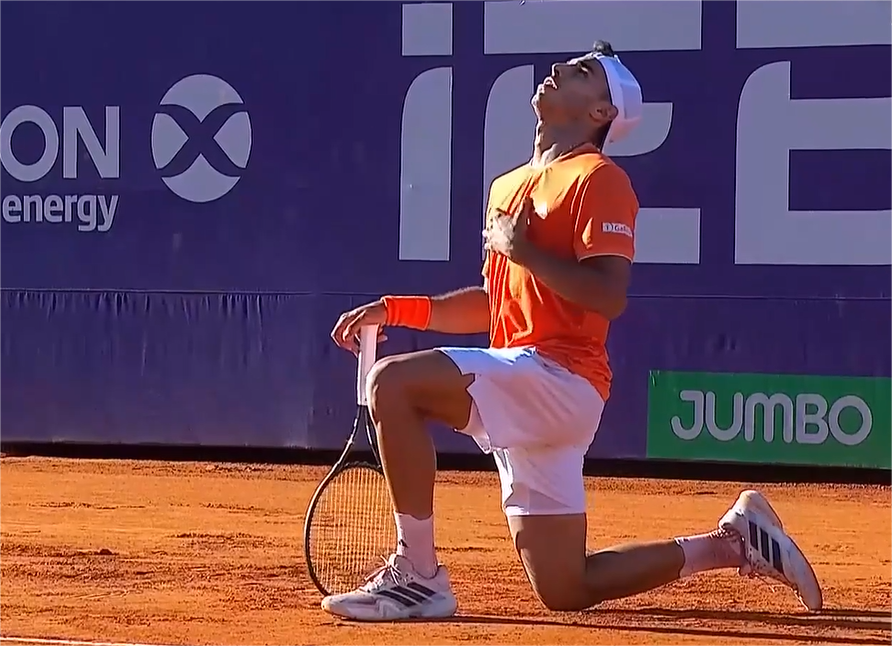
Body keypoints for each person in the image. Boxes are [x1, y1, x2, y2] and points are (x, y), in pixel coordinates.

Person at [322, 41, 823, 621]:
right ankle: (733, 542)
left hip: (559, 380)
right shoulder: (507, 187)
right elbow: (498, 304)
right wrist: (396, 309)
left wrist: (525, 250)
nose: (557, 69)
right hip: (523, 378)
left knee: (393, 383)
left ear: (601, 113)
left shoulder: (600, 179)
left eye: (582, 72)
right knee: (566, 586)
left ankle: (418, 574)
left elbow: (607, 294)